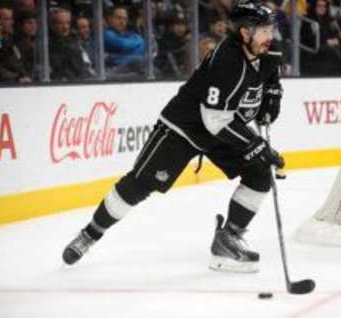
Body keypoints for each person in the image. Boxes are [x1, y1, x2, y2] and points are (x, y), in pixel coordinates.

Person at [62, 0, 284, 273]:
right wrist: (254, 143)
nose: (270, 36)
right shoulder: (227, 60)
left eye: (271, 29)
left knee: (260, 173)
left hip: (221, 126)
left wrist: (273, 93)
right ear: (244, 32)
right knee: (139, 185)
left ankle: (228, 239)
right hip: (184, 127)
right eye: (264, 31)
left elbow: (269, 74)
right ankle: (89, 234)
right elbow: (214, 118)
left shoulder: (267, 49)